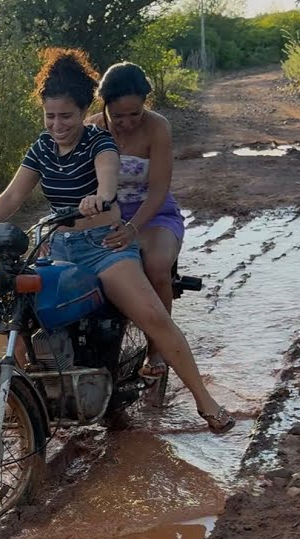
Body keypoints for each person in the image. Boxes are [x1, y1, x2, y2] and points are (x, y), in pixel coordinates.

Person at [0, 48, 233, 433]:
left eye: (66, 116)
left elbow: (108, 176)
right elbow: (12, 196)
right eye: (50, 116)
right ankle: (28, 397)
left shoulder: (99, 143)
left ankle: (206, 401)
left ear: (84, 110)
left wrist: (100, 197)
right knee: (11, 310)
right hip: (57, 246)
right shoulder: (40, 148)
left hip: (103, 246)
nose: (57, 124)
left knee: (154, 317)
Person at [87, 62, 183, 379]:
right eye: (119, 116)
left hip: (153, 213)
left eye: (135, 114)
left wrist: (132, 229)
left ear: (145, 104)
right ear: (105, 107)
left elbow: (158, 190)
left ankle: (157, 351)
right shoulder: (90, 130)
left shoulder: (158, 128)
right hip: (106, 216)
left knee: (155, 266)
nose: (127, 122)